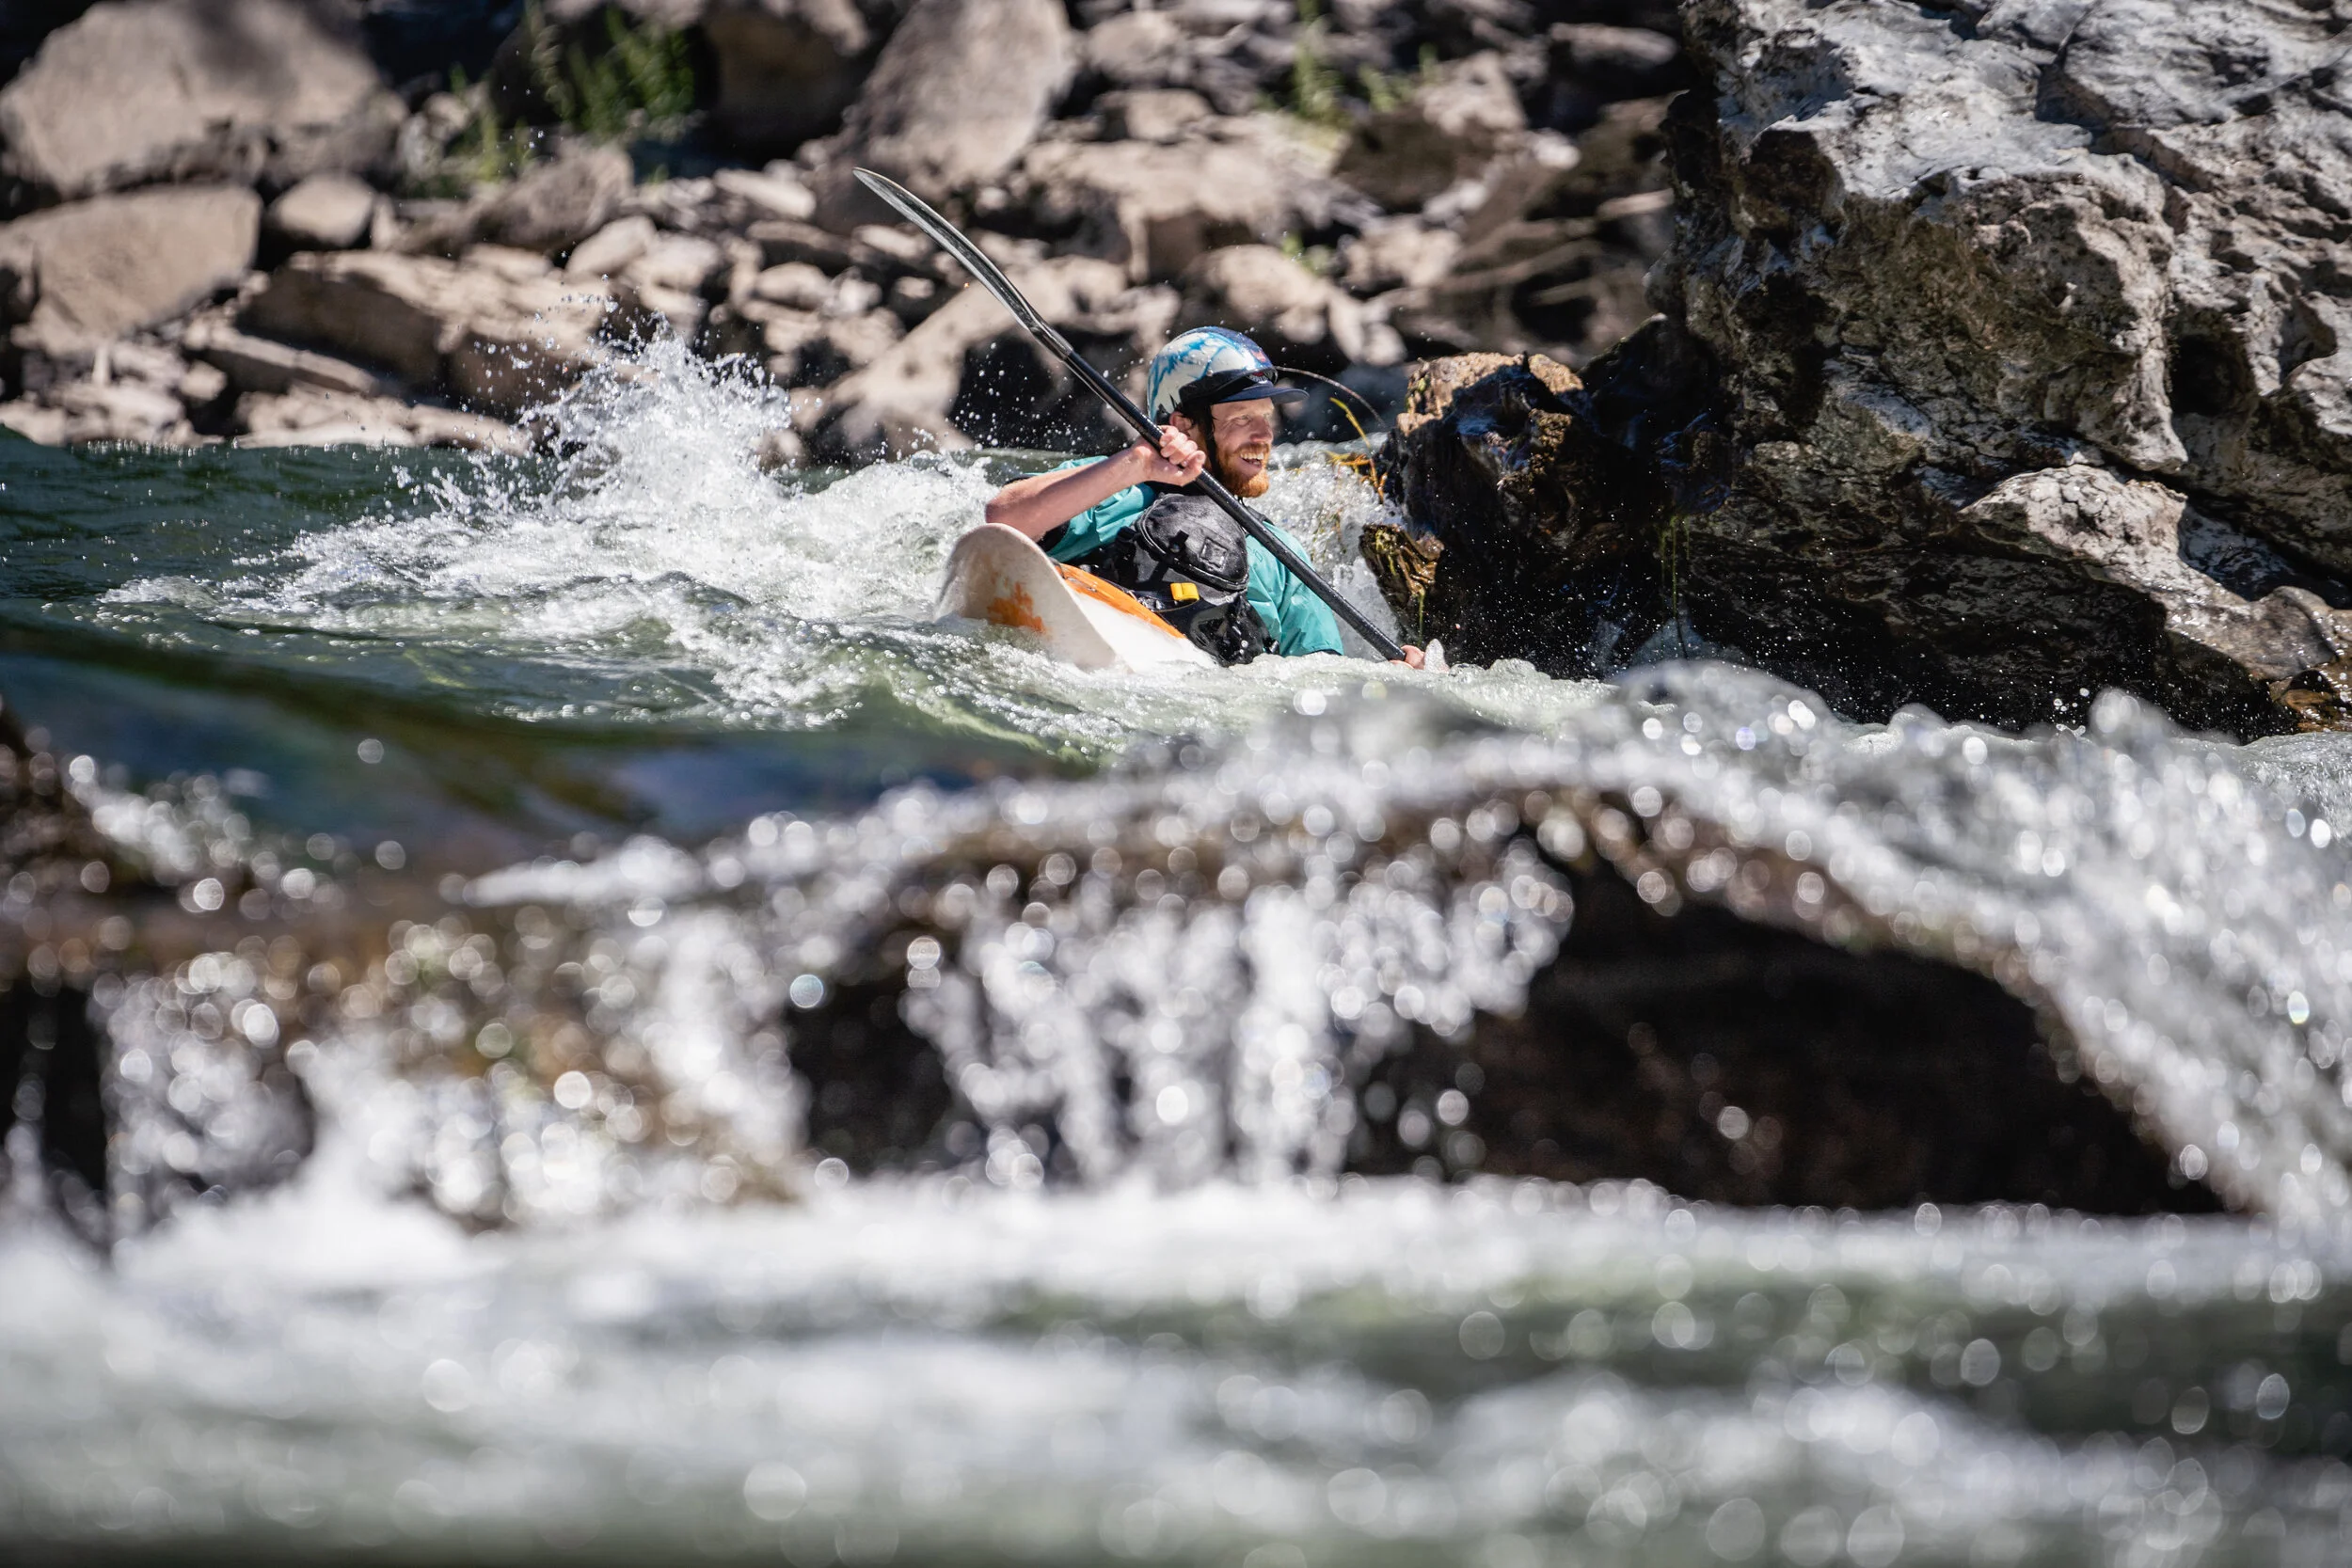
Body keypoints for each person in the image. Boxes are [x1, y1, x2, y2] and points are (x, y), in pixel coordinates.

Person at [983, 326, 1424, 668]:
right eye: (1242, 418)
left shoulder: (1282, 553)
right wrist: (1136, 463)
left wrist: (1393, 680)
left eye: (1266, 418)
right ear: (1184, 425)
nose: (1264, 436)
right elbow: (1004, 518)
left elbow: (1322, 680)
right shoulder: (1112, 486)